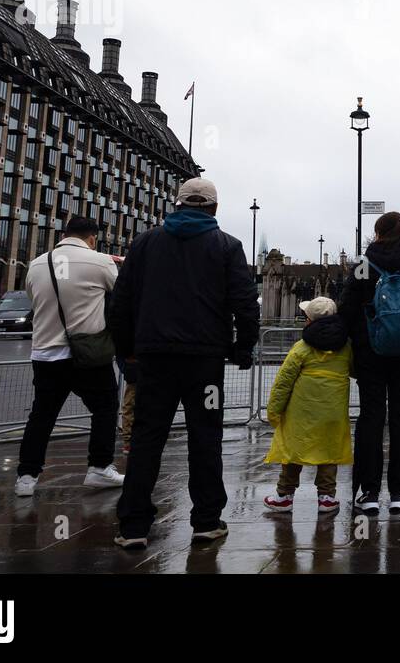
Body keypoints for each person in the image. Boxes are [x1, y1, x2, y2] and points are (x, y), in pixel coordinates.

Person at [108, 177, 259, 549]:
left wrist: (127, 350)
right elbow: (245, 302)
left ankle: (133, 526)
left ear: (176, 205)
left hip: (154, 360)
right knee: (205, 436)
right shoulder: (228, 246)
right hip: (205, 364)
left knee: (146, 438)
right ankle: (207, 520)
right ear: (214, 208)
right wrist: (243, 348)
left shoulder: (145, 243)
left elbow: (121, 302)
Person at [14, 216, 123, 497]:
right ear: (92, 238)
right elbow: (122, 296)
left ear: (65, 234)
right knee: (105, 408)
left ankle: (27, 476)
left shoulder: (37, 264)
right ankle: (99, 468)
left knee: (42, 414)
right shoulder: (100, 262)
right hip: (88, 353)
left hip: (46, 352)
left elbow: (34, 299)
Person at [337, 210, 400, 516]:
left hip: (372, 352)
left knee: (371, 418)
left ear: (378, 233)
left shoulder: (365, 263)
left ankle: (368, 493)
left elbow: (348, 306)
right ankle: (398, 493)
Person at [262, 297, 352, 516]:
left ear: (309, 320)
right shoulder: (346, 347)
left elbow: (283, 383)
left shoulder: (301, 348)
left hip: (300, 413)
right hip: (333, 413)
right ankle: (327, 498)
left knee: (293, 453)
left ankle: (284, 496)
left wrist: (274, 410)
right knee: (329, 453)